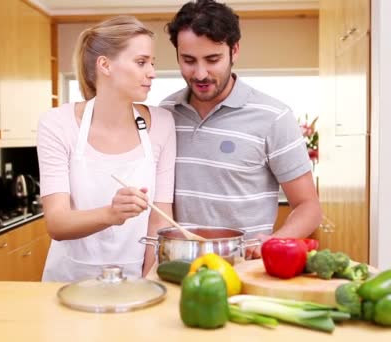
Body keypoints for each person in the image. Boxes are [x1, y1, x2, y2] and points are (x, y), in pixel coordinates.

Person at [160, 0, 322, 258]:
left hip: (243, 269)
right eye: (188, 60)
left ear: (234, 50)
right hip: (179, 266)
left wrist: (273, 243)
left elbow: (309, 207)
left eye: (212, 59)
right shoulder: (166, 112)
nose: (200, 73)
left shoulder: (273, 117)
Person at [37, 16, 176, 282]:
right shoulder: (57, 123)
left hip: (138, 279)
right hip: (68, 281)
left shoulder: (163, 124)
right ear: (105, 65)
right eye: (141, 62)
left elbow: (160, 220)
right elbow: (56, 224)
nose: (152, 72)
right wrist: (111, 214)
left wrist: (148, 281)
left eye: (152, 63)